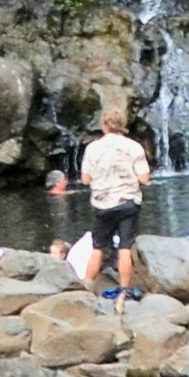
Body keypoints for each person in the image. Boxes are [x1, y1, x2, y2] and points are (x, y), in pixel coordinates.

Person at [75, 94, 152, 297]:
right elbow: (144, 178)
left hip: (103, 205)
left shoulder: (92, 148)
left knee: (98, 247)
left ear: (105, 125)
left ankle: (87, 286)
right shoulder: (134, 147)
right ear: (122, 125)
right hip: (128, 202)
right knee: (125, 246)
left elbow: (85, 179)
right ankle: (125, 289)